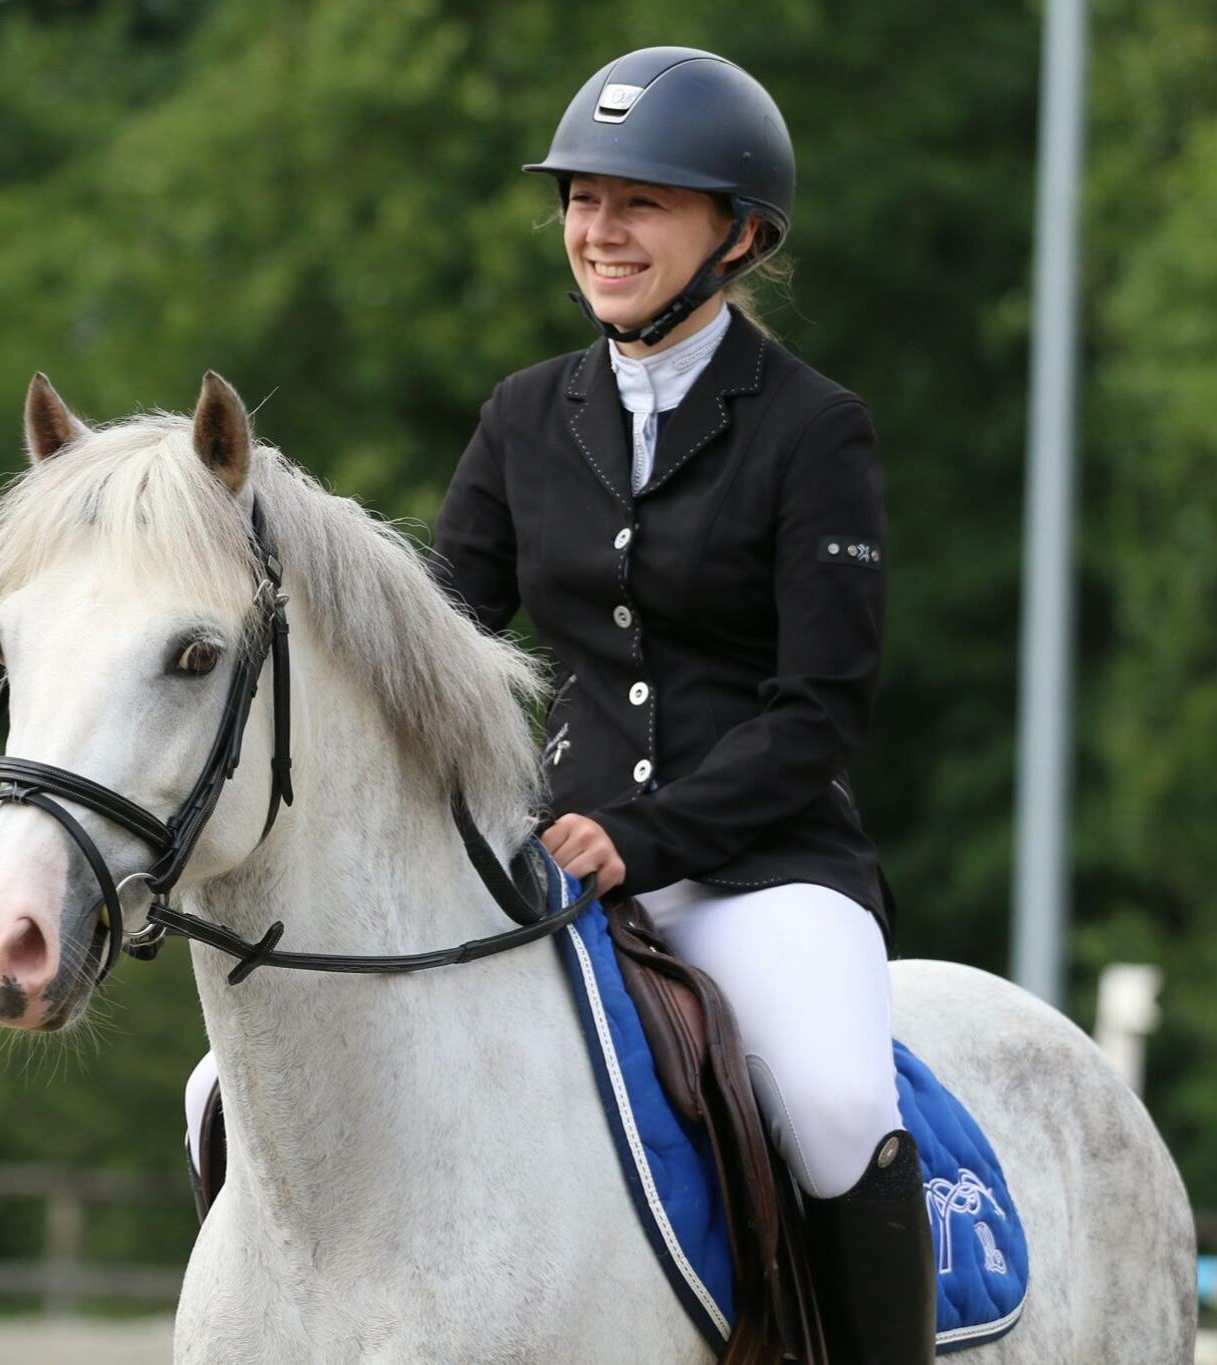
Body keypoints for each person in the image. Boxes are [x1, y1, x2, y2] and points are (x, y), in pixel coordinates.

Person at [185, 45, 933, 1364]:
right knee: (218, 1090)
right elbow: (432, 651)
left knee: (830, 1098)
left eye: (639, 202)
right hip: (550, 867)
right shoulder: (528, 416)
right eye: (583, 199)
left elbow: (819, 709)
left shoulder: (815, 432)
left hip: (759, 868)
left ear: (739, 233)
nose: (598, 230)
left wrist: (648, 835)